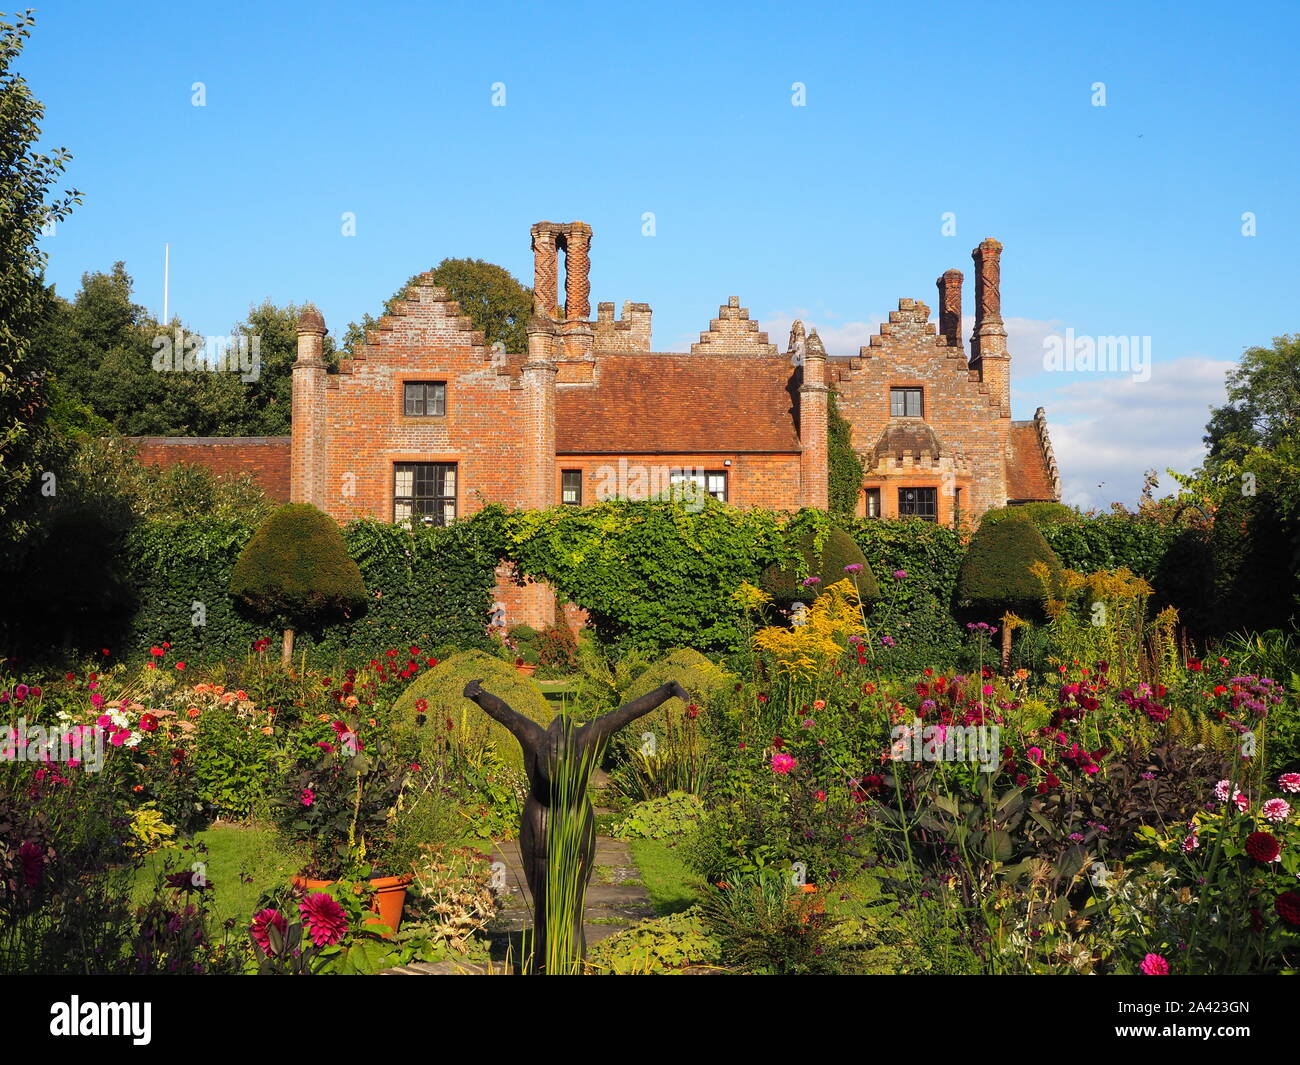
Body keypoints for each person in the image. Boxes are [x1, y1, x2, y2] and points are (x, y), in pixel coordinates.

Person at [462, 677, 688, 971]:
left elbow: (626, 713)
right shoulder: (555, 737)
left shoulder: (562, 737)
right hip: (552, 829)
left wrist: (666, 690)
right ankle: (557, 965)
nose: (558, 769)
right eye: (552, 760)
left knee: (560, 911)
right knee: (556, 910)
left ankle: (562, 965)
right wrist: (479, 695)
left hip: (560, 828)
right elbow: (507, 714)